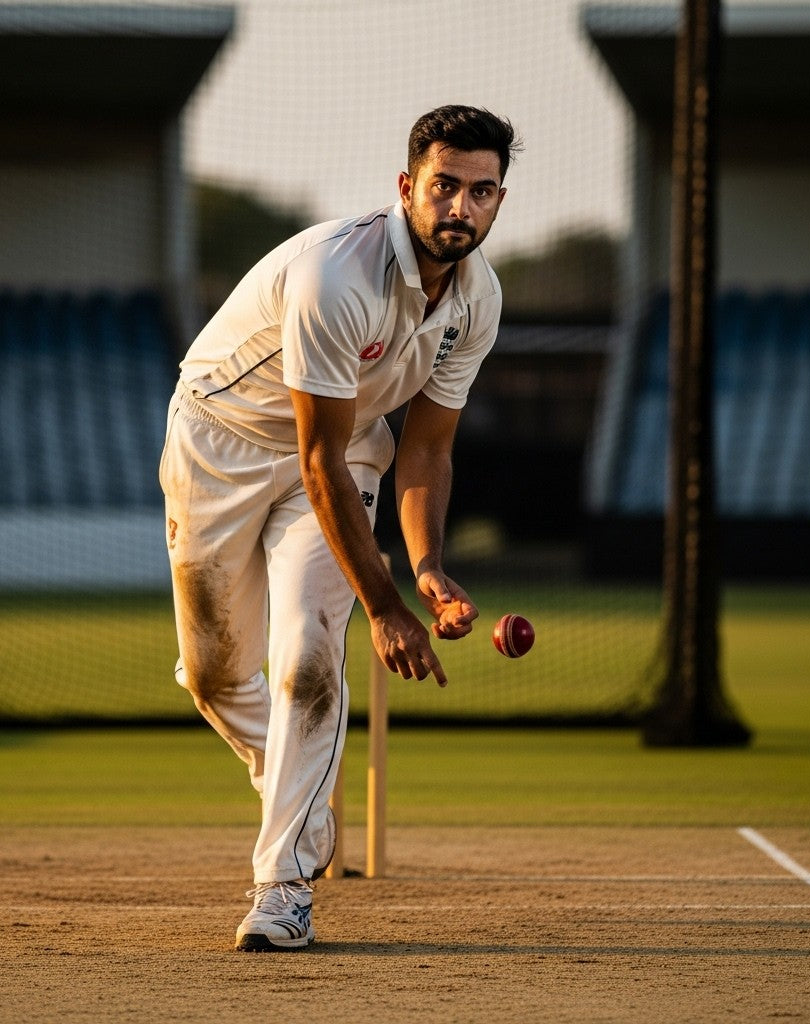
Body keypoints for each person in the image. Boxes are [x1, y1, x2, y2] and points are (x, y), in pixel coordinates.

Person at [159, 104, 517, 952]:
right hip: (223, 441)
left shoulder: (479, 301)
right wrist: (388, 606)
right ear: (408, 187)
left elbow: (425, 451)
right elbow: (309, 460)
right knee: (213, 675)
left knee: (307, 658)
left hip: (350, 449)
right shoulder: (338, 275)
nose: (460, 208)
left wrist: (426, 568)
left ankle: (280, 887)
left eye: (481, 191)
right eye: (444, 187)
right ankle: (304, 796)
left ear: (500, 199)